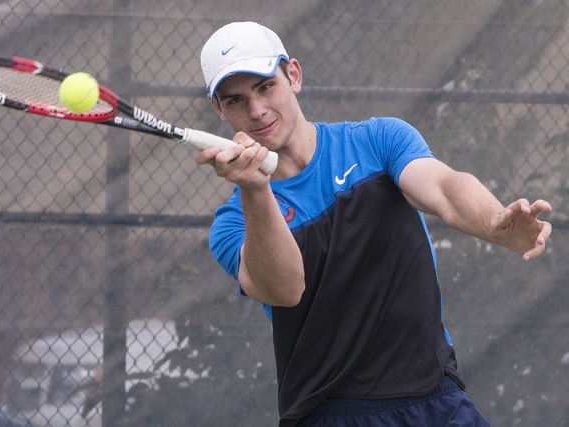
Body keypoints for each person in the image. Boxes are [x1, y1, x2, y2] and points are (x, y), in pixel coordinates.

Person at [196, 21, 553, 427]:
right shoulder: (232, 224)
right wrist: (257, 190)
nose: (257, 110)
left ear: (293, 75)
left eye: (265, 87)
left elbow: (443, 186)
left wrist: (493, 221)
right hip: (327, 414)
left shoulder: (377, 141)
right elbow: (285, 288)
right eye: (236, 100)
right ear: (219, 109)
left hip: (436, 398)